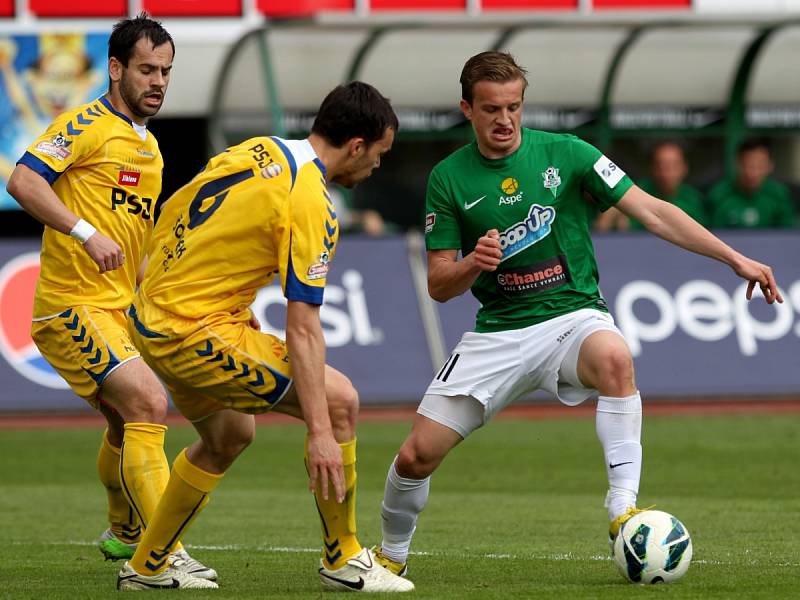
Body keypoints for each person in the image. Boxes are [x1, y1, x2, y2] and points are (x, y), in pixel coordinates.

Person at [372, 51, 783, 580]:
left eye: (514, 107)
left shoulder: (567, 153)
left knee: (615, 358)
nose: (505, 120)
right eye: (492, 109)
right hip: (498, 333)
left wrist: (735, 258)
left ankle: (623, 513)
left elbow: (653, 210)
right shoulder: (448, 179)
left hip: (572, 319)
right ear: (467, 109)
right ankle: (390, 556)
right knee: (414, 458)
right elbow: (438, 284)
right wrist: (474, 262)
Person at [117, 81, 414, 593]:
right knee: (339, 401)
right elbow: (303, 326)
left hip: (153, 315)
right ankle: (342, 558)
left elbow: (179, 212)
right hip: (191, 330)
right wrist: (321, 431)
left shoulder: (260, 149)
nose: (377, 168)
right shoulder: (311, 202)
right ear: (358, 145)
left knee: (230, 436)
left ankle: (147, 566)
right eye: (380, 155)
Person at [6, 13, 215, 587]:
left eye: (166, 71)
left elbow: (133, 244)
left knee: (129, 424)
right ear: (116, 68)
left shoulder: (149, 147)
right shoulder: (87, 125)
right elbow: (22, 181)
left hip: (115, 309)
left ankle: (124, 531)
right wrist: (82, 232)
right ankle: (159, 555)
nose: (158, 82)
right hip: (69, 307)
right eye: (147, 69)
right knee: (148, 402)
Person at [595, 141, 707, 231]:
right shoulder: (637, 191)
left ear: (684, 168)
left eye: (672, 166)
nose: (665, 173)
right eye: (660, 166)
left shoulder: (695, 198)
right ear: (651, 168)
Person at [708, 138, 796, 228]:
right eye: (748, 165)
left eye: (759, 166)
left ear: (770, 166)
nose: (752, 173)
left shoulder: (779, 194)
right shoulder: (719, 195)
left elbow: (787, 232)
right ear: (737, 164)